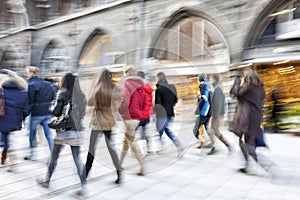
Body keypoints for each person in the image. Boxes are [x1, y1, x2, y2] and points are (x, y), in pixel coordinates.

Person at [36, 73, 87, 196]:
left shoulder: (63, 94)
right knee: (77, 159)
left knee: (54, 157)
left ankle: (47, 181)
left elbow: (57, 112)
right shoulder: (81, 95)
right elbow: (83, 114)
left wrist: (51, 108)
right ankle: (83, 187)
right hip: (77, 131)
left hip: (63, 132)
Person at [229, 69, 276, 175]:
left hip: (246, 119)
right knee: (246, 142)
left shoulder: (248, 87)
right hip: (255, 118)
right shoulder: (260, 89)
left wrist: (237, 82)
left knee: (247, 144)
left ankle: (265, 164)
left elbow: (235, 93)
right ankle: (246, 165)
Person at [85, 69, 122, 184]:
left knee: (92, 149)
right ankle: (119, 172)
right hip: (109, 123)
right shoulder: (116, 89)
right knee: (111, 149)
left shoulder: (98, 89)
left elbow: (89, 102)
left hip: (98, 124)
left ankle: (85, 173)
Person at [118, 66, 145, 176]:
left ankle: (143, 166)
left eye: (125, 73)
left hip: (129, 117)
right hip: (137, 117)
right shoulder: (141, 85)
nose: (124, 75)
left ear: (128, 73)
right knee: (126, 141)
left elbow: (125, 101)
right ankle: (119, 164)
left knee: (132, 142)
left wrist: (119, 110)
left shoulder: (127, 84)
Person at [0, 69, 30, 169]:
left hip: (2, 118)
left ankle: (9, 157)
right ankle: (5, 157)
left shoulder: (1, 90)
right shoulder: (23, 93)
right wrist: (23, 118)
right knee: (7, 138)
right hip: (15, 120)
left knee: (6, 137)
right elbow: (26, 110)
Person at [24, 66, 55, 160]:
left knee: (32, 134)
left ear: (31, 73)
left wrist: (26, 112)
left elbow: (29, 100)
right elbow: (52, 96)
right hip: (47, 112)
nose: (25, 74)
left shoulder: (31, 84)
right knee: (49, 135)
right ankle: (53, 155)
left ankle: (32, 155)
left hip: (36, 113)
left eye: (27, 72)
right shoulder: (48, 84)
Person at [154, 72, 183, 156]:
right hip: (170, 113)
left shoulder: (159, 89)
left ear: (158, 78)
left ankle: (160, 148)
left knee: (160, 132)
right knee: (166, 130)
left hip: (162, 115)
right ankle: (177, 146)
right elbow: (175, 100)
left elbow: (158, 104)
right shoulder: (172, 87)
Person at [207, 74, 231, 155]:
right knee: (212, 131)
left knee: (213, 131)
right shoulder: (217, 88)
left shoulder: (217, 89)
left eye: (210, 79)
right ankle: (215, 146)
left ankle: (226, 145)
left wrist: (215, 116)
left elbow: (217, 104)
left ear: (214, 79)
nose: (209, 80)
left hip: (216, 115)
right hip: (216, 114)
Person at [193, 73, 211, 148]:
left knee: (195, 130)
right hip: (208, 111)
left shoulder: (203, 86)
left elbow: (204, 98)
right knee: (206, 127)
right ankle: (212, 143)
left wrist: (197, 109)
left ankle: (202, 142)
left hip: (203, 111)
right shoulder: (208, 86)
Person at [136, 71, 153, 153]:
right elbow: (150, 103)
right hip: (146, 116)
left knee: (131, 134)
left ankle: (134, 151)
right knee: (145, 133)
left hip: (138, 116)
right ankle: (148, 149)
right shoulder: (148, 88)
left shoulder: (139, 88)